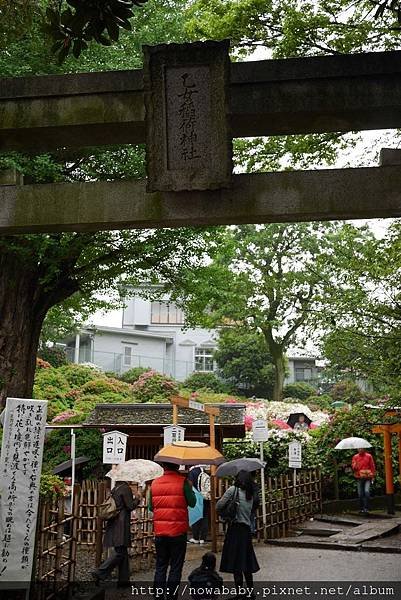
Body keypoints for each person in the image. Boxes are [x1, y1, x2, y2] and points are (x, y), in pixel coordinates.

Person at [149, 462, 196, 598]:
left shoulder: (155, 483)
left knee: (161, 565)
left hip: (160, 532)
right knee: (176, 566)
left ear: (164, 467)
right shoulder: (184, 482)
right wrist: (190, 489)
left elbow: (151, 507)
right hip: (178, 532)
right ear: (177, 467)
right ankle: (171, 596)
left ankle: (158, 596)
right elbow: (192, 503)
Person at [216, 471, 260, 597]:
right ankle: (250, 591)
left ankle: (240, 592)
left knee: (236, 562)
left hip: (234, 529)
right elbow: (252, 510)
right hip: (246, 530)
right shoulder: (251, 494)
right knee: (246, 560)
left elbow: (218, 506)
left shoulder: (232, 490)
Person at [92, 480, 140, 587]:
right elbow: (130, 506)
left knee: (123, 553)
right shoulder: (125, 488)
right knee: (120, 552)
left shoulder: (116, 488)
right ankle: (100, 572)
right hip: (121, 524)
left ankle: (123, 581)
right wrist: (137, 498)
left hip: (114, 522)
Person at [188, 465, 211, 544]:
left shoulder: (192, 472)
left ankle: (196, 537)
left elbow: (190, 485)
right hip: (205, 497)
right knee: (205, 517)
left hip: (196, 497)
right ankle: (203, 538)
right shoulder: (204, 472)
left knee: (196, 516)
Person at [351, 448, 376, 514]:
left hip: (367, 477)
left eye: (361, 448)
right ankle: (361, 508)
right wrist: (354, 465)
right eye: (359, 448)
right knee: (360, 494)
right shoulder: (355, 457)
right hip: (359, 477)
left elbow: (372, 466)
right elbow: (353, 468)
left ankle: (366, 508)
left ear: (364, 449)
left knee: (366, 491)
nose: (360, 449)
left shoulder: (369, 456)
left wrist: (373, 476)